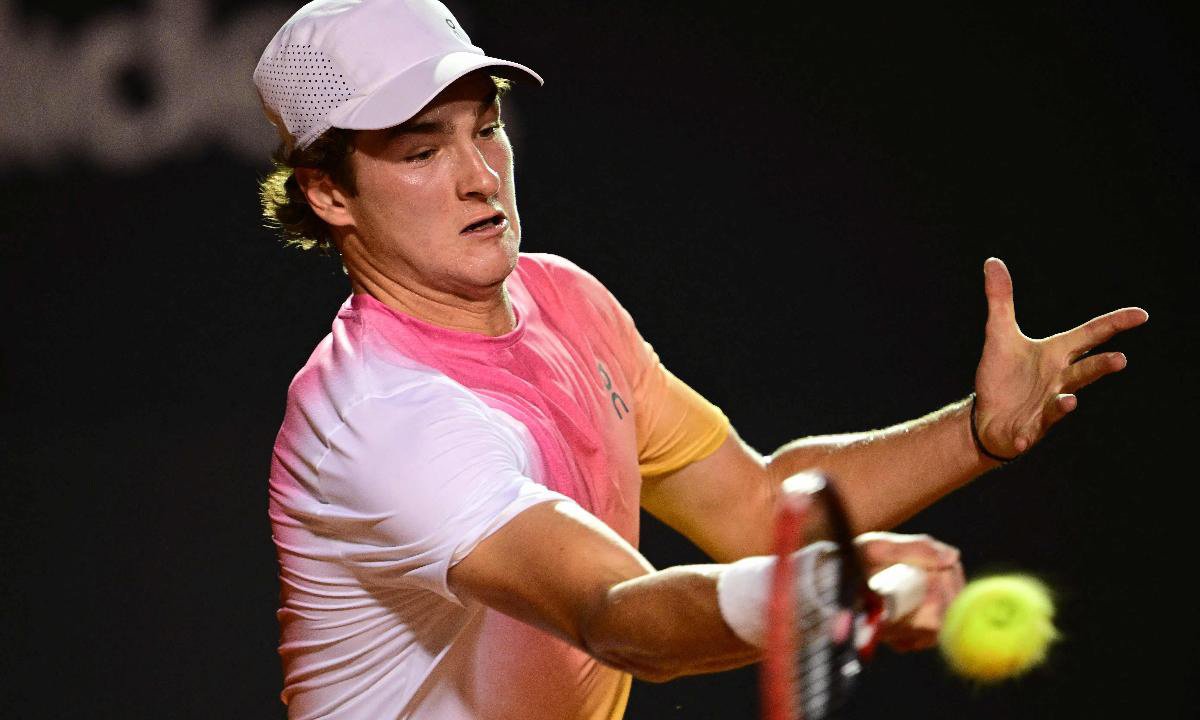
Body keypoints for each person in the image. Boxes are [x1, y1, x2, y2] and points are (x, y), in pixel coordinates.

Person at [255, 1, 1148, 718]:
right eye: (421, 152)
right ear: (329, 194)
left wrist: (977, 435)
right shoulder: (382, 417)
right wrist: (815, 589)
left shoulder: (564, 297)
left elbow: (759, 509)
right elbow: (617, 618)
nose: (479, 175)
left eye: (484, 129)